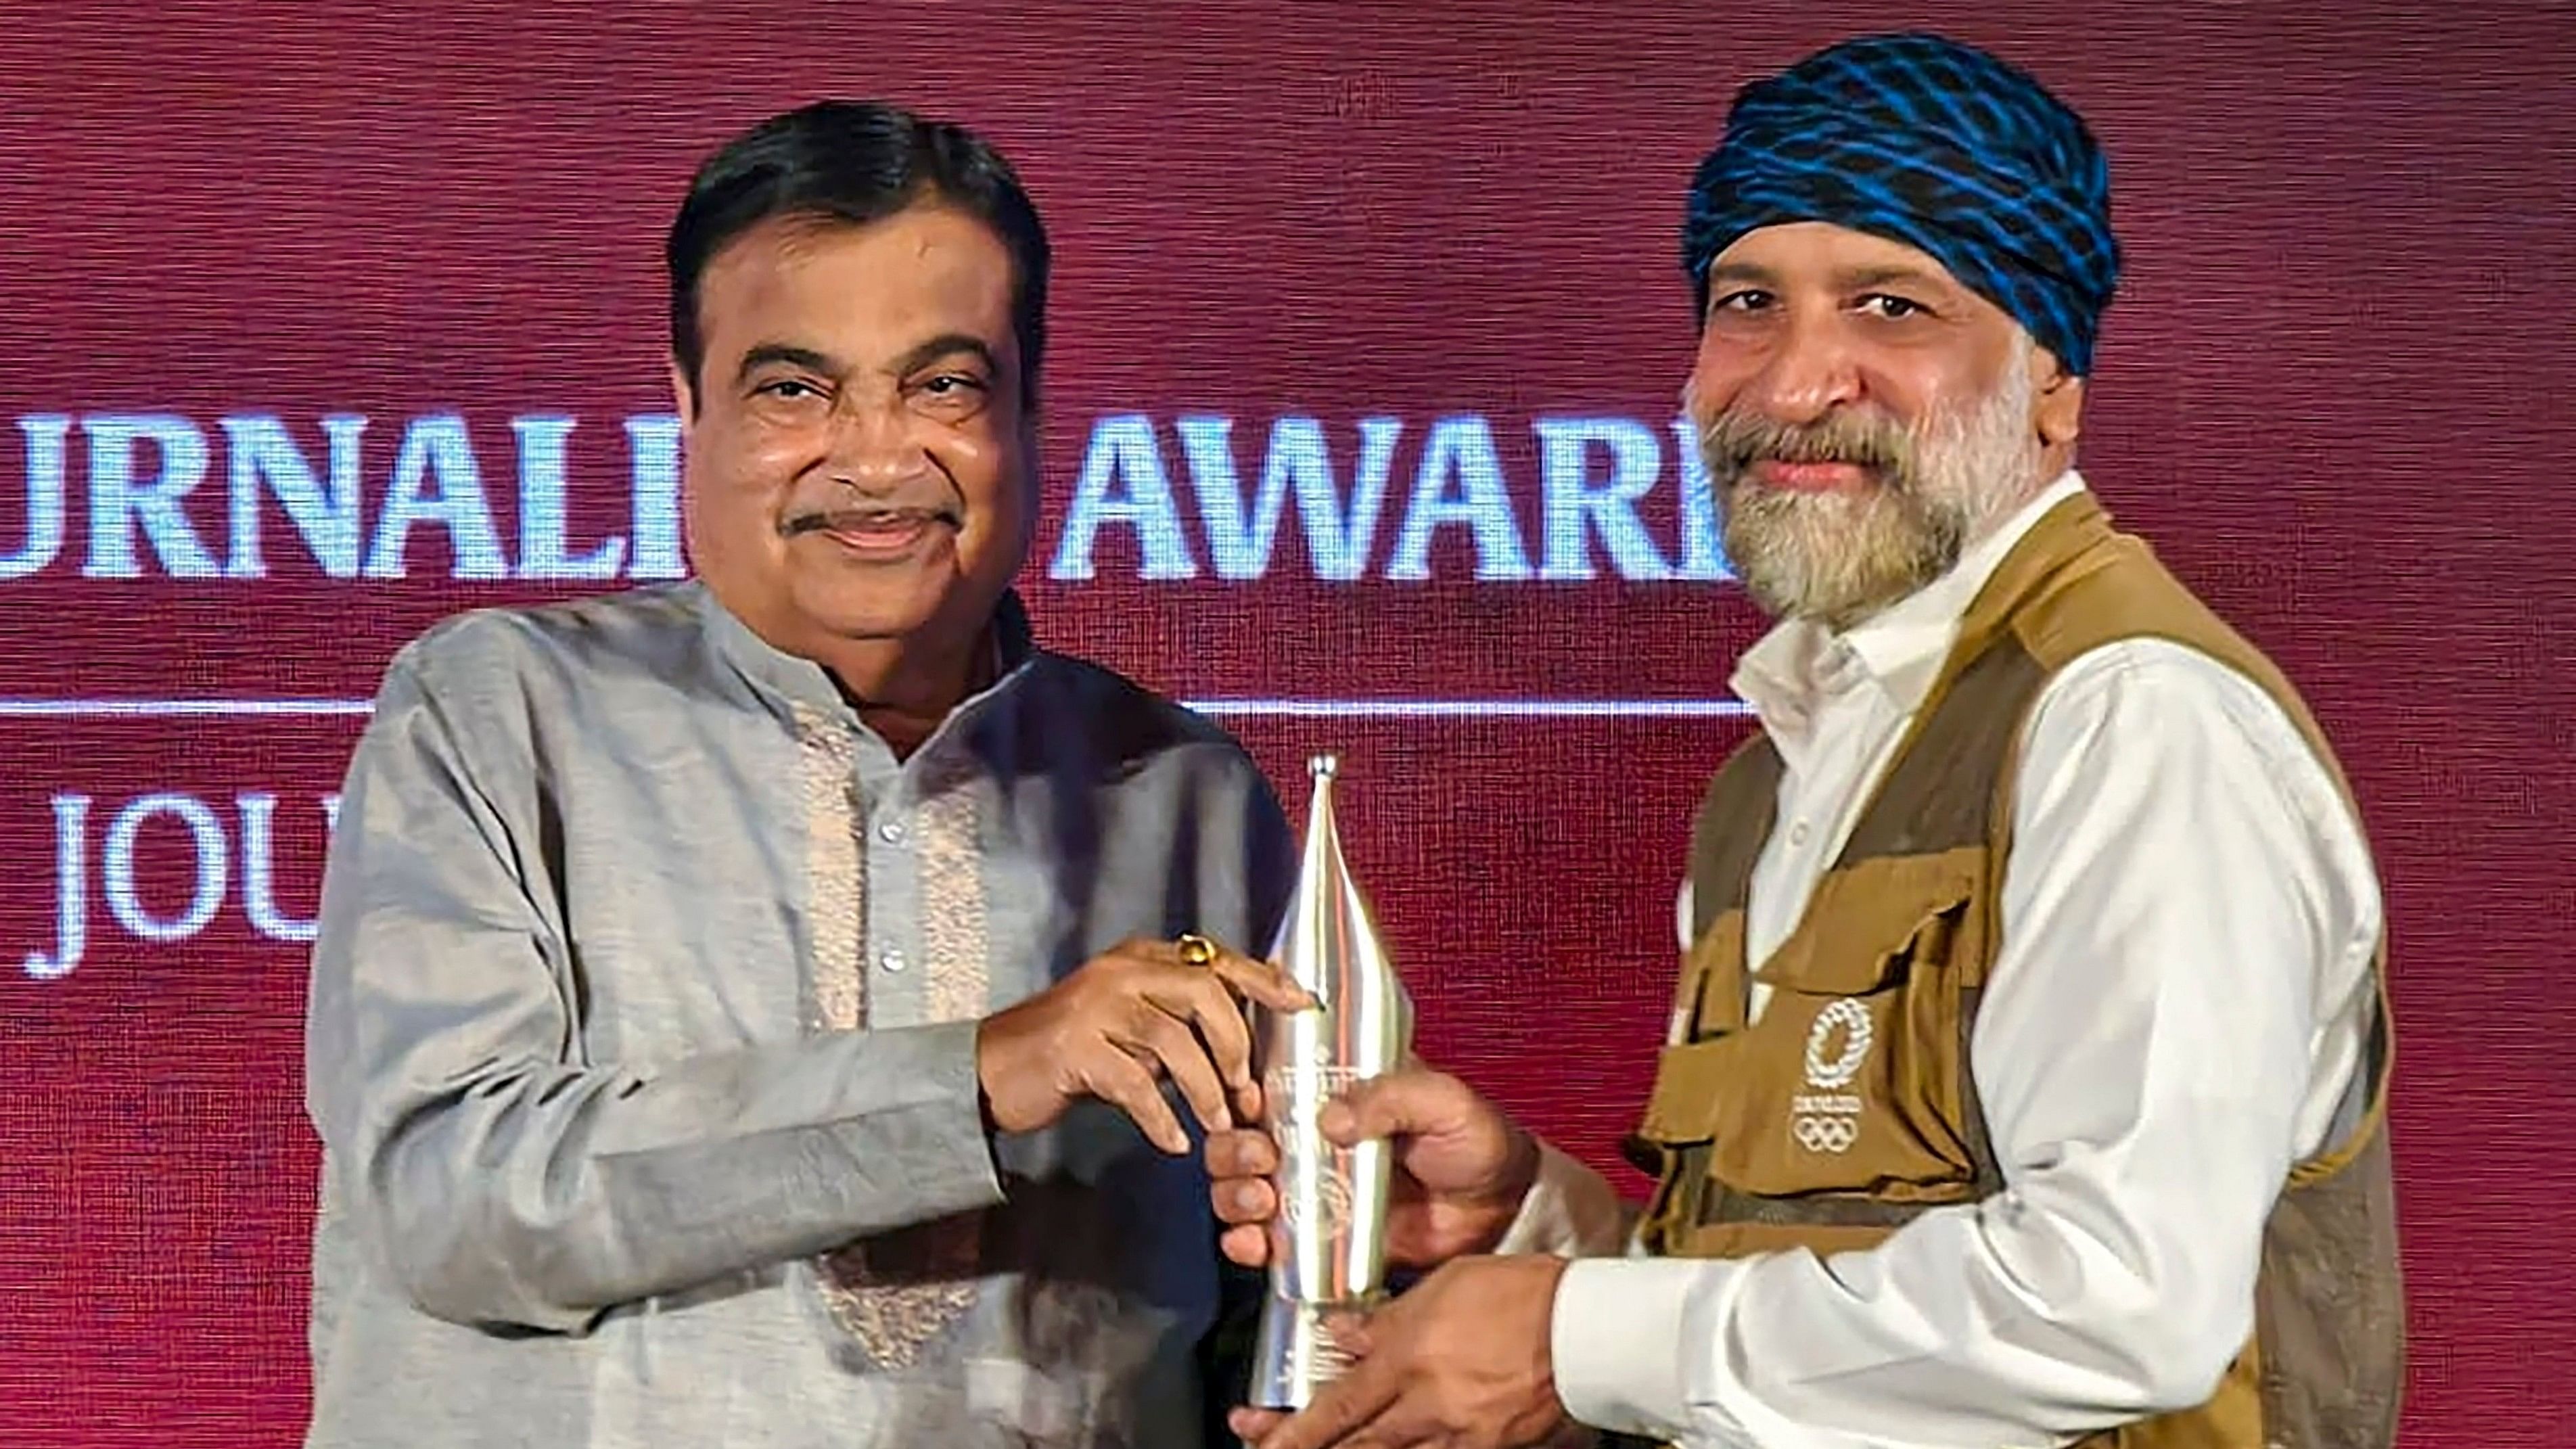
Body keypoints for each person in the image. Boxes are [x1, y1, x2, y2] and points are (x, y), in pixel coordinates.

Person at [1211, 33, 2401, 1449]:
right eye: (1746, 303)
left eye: (1890, 307)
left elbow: (2110, 1303)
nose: (1789, 384)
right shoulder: (1784, 764)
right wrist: (1535, 1222)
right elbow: (1819, 1300)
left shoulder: (2129, 717)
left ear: (2050, 383)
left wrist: (1569, 1336)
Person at [302, 100, 1308, 1448]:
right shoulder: (496, 708)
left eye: (942, 384)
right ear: (687, 406)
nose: (880, 459)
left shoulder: (1180, 787)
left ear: (1029, 409)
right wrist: (979, 1075)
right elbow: (452, 1199)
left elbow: (1252, 1323)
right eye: (795, 390)